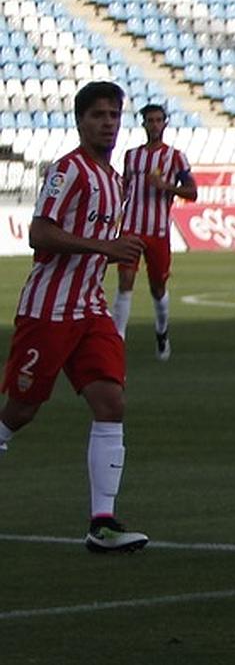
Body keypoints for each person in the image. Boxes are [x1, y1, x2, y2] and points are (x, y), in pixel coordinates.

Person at [0, 81, 149, 552]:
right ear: (80, 121)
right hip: (50, 309)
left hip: (89, 308)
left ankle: (102, 523)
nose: (107, 122)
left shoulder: (115, 179)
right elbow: (39, 234)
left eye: (113, 114)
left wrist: (113, 252)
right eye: (98, 115)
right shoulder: (69, 170)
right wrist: (106, 247)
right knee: (21, 410)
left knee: (111, 403)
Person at [113, 103, 197, 359]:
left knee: (157, 287)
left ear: (166, 123)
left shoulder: (175, 157)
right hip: (131, 228)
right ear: (143, 124)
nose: (155, 124)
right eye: (150, 120)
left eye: (159, 120)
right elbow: (124, 187)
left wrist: (165, 186)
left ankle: (162, 332)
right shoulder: (131, 156)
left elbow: (192, 192)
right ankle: (116, 342)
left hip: (158, 230)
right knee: (125, 282)